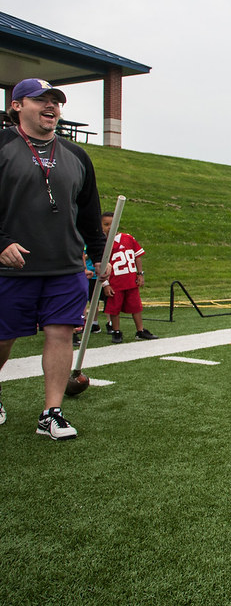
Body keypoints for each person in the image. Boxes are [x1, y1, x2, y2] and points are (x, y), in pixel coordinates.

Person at [0, 78, 107, 440]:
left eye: (56, 102)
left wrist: (98, 256)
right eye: (41, 100)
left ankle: (51, 413)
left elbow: (89, 214)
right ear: (17, 105)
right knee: (3, 338)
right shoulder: (2, 146)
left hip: (65, 266)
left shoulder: (77, 155)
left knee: (61, 333)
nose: (52, 107)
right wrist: (1, 242)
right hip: (10, 267)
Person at [100, 212, 158, 343]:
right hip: (115, 282)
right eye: (106, 224)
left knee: (136, 306)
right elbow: (101, 266)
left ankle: (140, 330)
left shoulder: (128, 238)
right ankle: (116, 331)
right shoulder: (102, 244)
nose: (110, 227)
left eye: (112, 224)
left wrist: (140, 273)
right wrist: (105, 284)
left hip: (130, 280)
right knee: (114, 309)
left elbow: (137, 256)